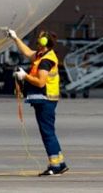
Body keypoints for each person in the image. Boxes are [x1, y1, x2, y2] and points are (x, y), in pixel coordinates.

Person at [8, 29, 69, 176]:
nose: (36, 43)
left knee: (47, 133)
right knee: (49, 131)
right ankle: (60, 162)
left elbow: (41, 82)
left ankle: (55, 166)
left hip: (45, 100)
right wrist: (15, 38)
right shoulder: (43, 55)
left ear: (43, 42)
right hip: (46, 99)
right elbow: (28, 52)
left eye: (39, 40)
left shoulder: (45, 61)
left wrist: (24, 76)